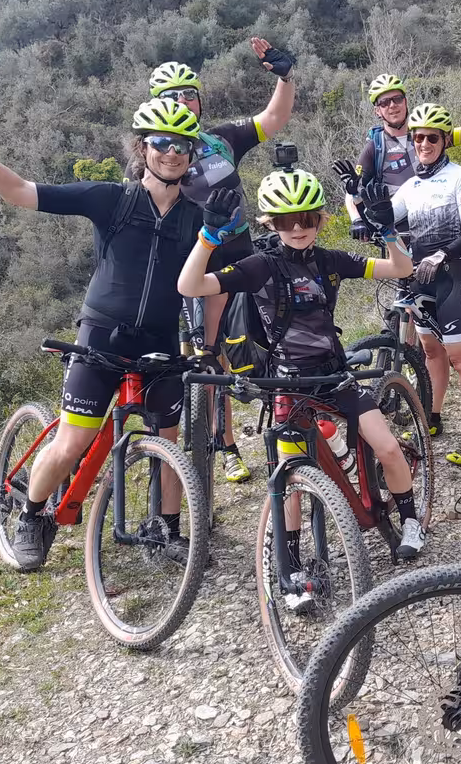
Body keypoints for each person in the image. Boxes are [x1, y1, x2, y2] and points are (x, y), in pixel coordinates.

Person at [0, 88, 205, 570]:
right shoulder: (111, 199)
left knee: (167, 441)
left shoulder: (197, 218)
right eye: (161, 141)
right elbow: (18, 191)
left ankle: (167, 530)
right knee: (71, 442)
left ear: (191, 155)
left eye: (181, 144)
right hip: (102, 335)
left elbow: (222, 277)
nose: (171, 151)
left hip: (161, 340)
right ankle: (32, 514)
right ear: (142, 147)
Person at [176, 168, 429, 567]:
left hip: (333, 374)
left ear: (319, 220)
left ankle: (411, 520)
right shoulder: (259, 266)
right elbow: (190, 287)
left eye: (307, 219)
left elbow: (400, 269)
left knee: (387, 448)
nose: (297, 229)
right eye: (285, 221)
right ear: (271, 224)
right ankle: (291, 562)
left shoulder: (330, 260)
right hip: (288, 383)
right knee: (291, 478)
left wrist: (388, 230)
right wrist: (208, 238)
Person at [145, 39, 296, 482]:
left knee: (275, 334)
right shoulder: (155, 155)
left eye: (188, 93)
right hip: (198, 263)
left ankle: (286, 426)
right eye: (169, 97)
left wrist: (285, 78)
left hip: (243, 252)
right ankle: (224, 443)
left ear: (199, 99)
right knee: (211, 358)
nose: (182, 102)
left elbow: (274, 118)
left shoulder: (220, 140)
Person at [374, 102, 461, 466]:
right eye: (418, 137)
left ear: (444, 141)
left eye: (431, 138)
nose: (424, 143)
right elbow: (386, 217)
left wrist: (441, 255)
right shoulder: (410, 185)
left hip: (454, 276)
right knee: (431, 353)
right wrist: (363, 199)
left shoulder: (460, 176)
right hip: (420, 279)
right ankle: (433, 417)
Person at [344, 70, 461, 233]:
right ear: (377, 111)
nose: (392, 105)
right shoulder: (375, 147)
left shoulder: (427, 134)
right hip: (399, 232)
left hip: (438, 225)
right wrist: (357, 221)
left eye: (397, 99)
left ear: (405, 101)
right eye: (384, 103)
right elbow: (353, 190)